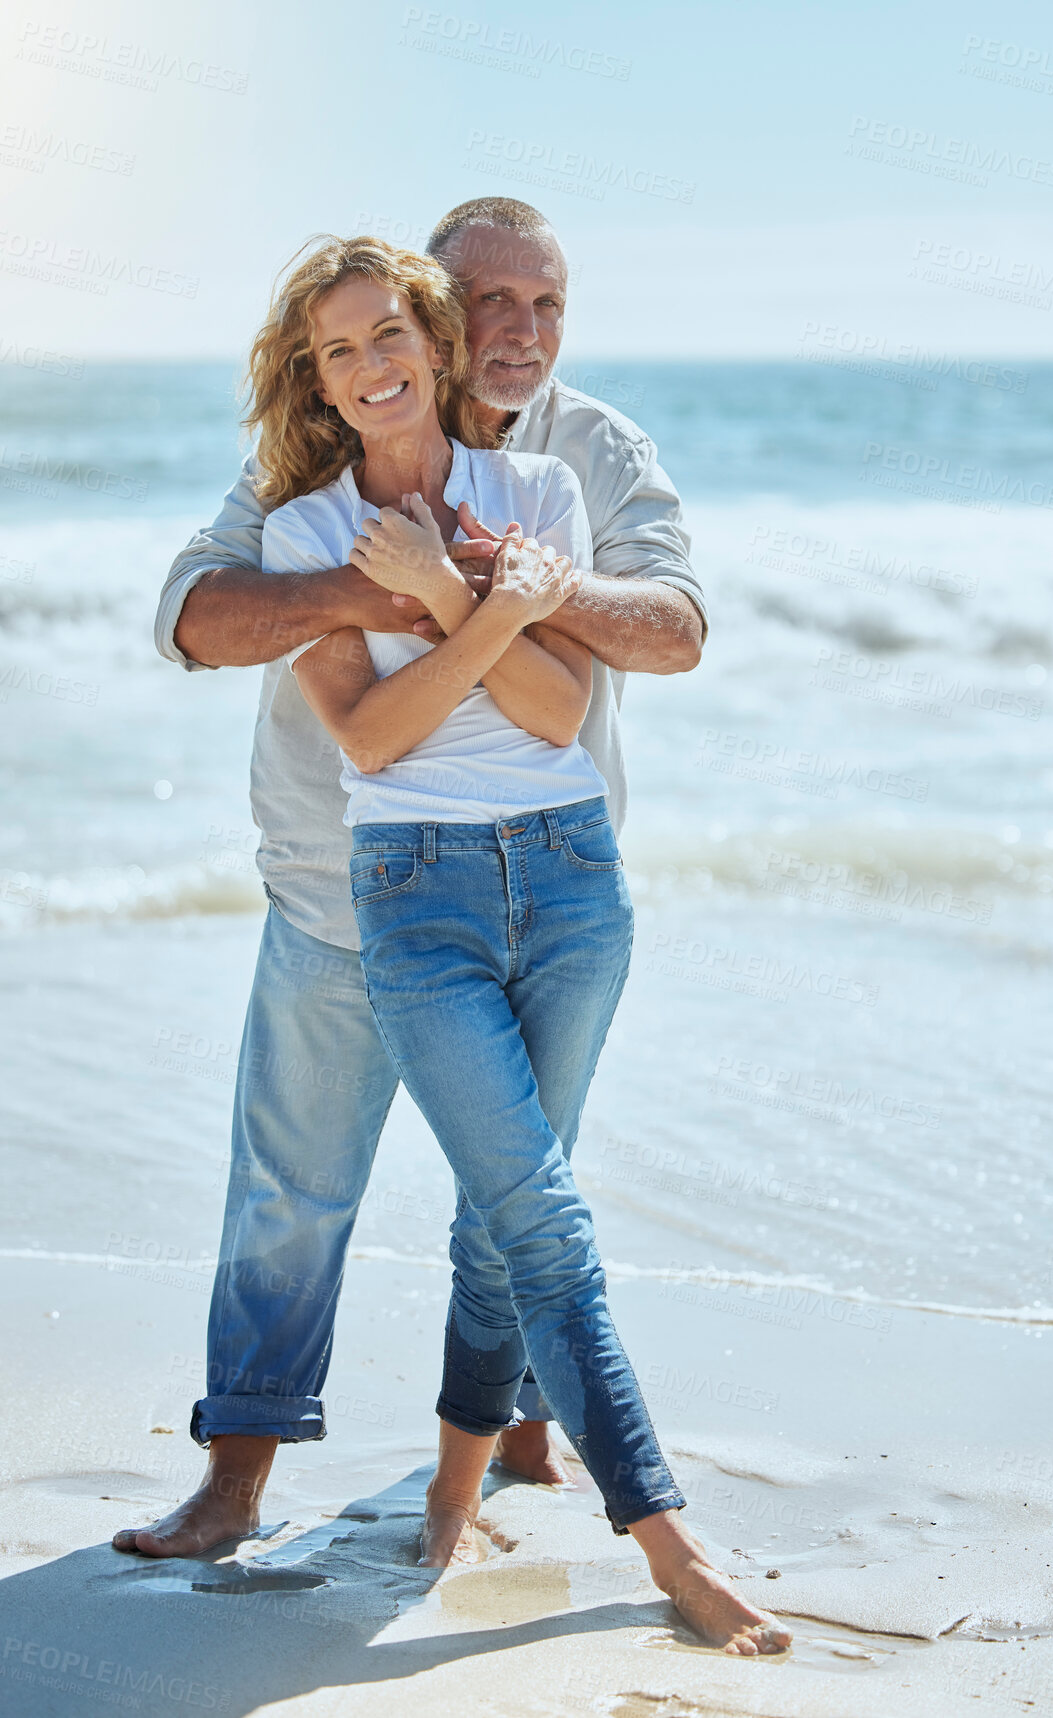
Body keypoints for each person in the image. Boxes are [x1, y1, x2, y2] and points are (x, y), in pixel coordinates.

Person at [115, 198, 706, 1562]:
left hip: (536, 880)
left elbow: (673, 630)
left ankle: (515, 1433)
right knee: (292, 1186)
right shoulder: (307, 466)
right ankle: (236, 1476)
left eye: (547, 305)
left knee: (519, 1188)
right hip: (340, 889)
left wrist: (506, 589)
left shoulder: (586, 454)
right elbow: (196, 617)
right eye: (490, 301)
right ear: (433, 316)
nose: (520, 333)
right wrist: (373, 593)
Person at [259, 234, 789, 1652]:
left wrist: (445, 593)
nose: (371, 368)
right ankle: (670, 1543)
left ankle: (450, 1485)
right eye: (338, 351)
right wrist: (493, 608)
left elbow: (563, 721)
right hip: (415, 897)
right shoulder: (305, 532)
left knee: (515, 1218)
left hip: (571, 887)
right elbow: (372, 736)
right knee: (545, 1220)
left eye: (389, 337)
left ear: (431, 344)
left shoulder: (541, 491)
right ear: (314, 378)